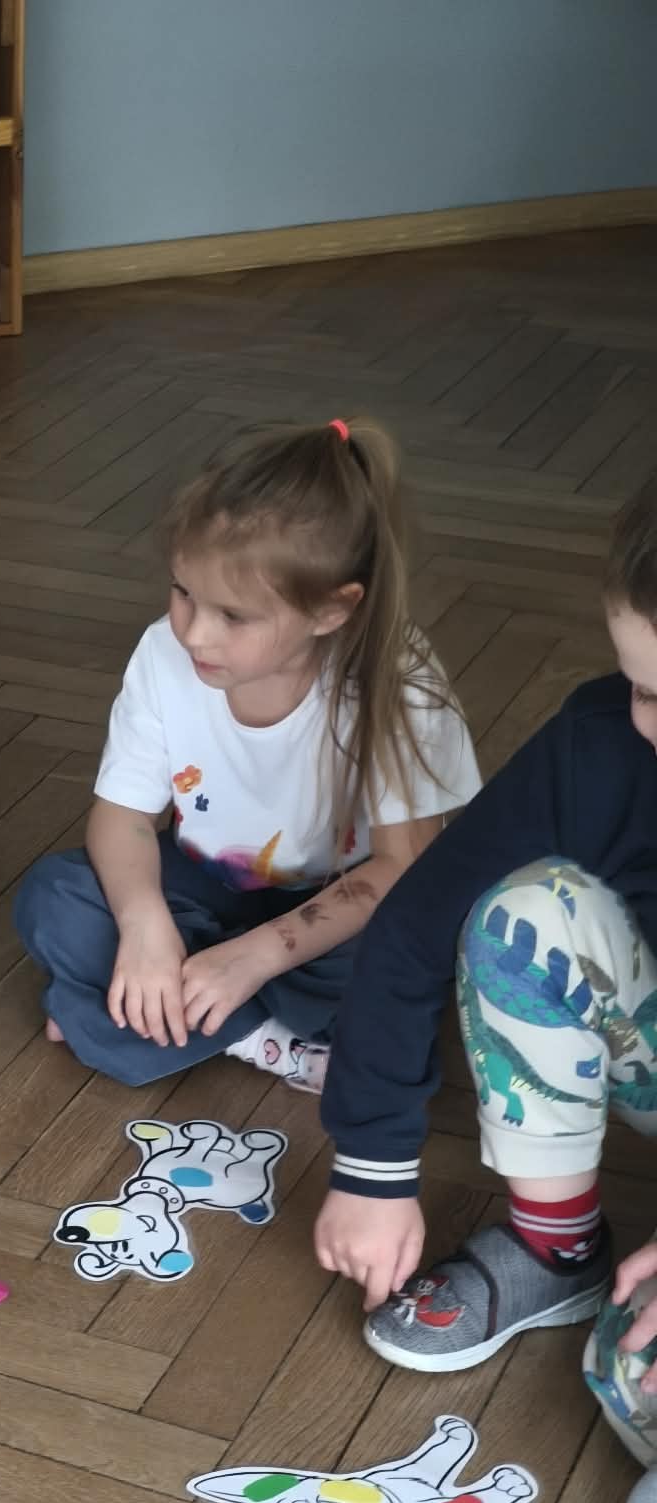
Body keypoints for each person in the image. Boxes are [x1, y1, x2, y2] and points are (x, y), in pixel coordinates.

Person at [314, 474, 657, 1415]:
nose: (652, 725)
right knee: (523, 912)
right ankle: (557, 1247)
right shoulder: (599, 746)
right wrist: (373, 1169)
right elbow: (416, 925)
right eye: (644, 688)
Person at [13, 418, 480, 1092]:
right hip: (208, 890)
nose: (195, 634)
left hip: (336, 908)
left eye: (233, 616)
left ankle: (125, 1017)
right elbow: (123, 817)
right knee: (55, 898)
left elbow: (401, 868)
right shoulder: (162, 653)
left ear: (331, 610)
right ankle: (264, 1040)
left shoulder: (399, 682)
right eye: (183, 592)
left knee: (414, 949)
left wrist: (259, 955)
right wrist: (143, 926)